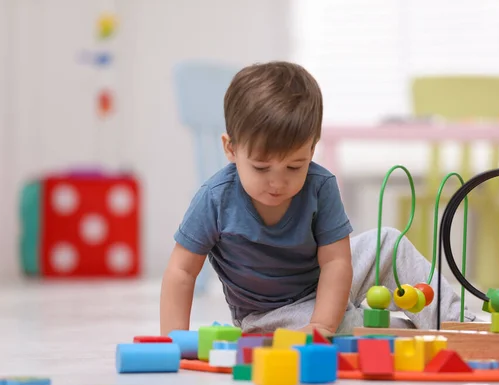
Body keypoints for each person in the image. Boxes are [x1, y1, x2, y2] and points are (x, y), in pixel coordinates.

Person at [159, 61, 476, 336]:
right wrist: (173, 340)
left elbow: (337, 262)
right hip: (272, 315)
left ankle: (455, 321)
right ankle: (403, 332)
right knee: (342, 325)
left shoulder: (320, 185)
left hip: (327, 283)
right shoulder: (215, 199)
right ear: (230, 149)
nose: (277, 182)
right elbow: (181, 271)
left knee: (389, 243)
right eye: (261, 167)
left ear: (311, 150)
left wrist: (323, 321)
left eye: (294, 166)